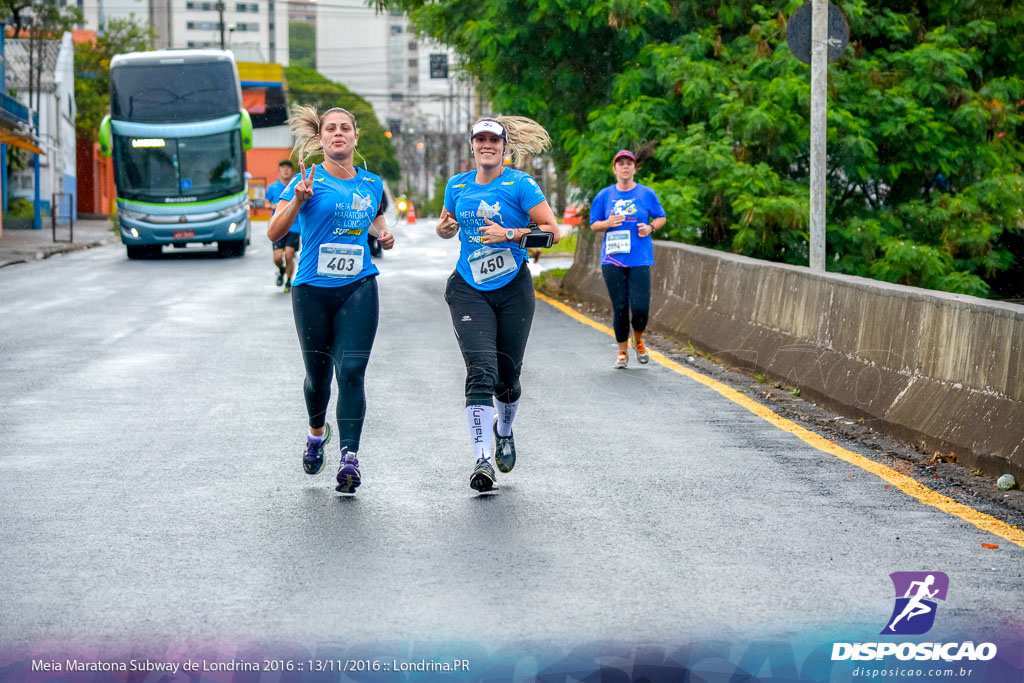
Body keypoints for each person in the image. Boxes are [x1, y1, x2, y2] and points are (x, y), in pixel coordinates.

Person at [267, 105, 394, 494]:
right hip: (312, 291)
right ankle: (316, 434)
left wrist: (384, 233)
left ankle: (349, 459)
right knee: (318, 379)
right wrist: (298, 202)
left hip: (359, 286)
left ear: (356, 137)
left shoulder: (371, 183)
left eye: (345, 129)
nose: (338, 134)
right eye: (330, 129)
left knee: (352, 372)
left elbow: (372, 217)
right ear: (320, 139)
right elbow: (275, 232)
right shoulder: (306, 180)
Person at [435, 116, 560, 493]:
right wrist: (443, 229)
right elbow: (447, 222)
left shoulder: (521, 185)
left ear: (505, 147)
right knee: (481, 370)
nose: (487, 145)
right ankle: (482, 458)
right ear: (471, 146)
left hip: (512, 289)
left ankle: (503, 431)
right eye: (480, 139)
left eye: (494, 140)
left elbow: (553, 234)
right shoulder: (457, 185)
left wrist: (509, 233)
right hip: (468, 287)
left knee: (507, 376)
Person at [589, 150, 667, 369]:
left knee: (641, 308)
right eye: (620, 163)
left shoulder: (646, 194)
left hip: (640, 258)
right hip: (613, 260)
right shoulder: (604, 195)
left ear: (634, 168)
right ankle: (622, 352)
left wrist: (650, 227)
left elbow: (661, 217)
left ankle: (638, 340)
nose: (625, 167)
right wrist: (608, 223)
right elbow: (594, 224)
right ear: (614, 169)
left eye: (629, 164)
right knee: (620, 306)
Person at [266, 160, 300, 292]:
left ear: (292, 171)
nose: (285, 170)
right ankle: (281, 270)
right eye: (282, 168)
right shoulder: (273, 187)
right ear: (279, 171)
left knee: (289, 254)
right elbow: (266, 203)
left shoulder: (296, 186)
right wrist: (272, 206)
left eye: (288, 168)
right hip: (279, 226)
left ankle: (288, 282)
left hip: (295, 226)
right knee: (278, 257)